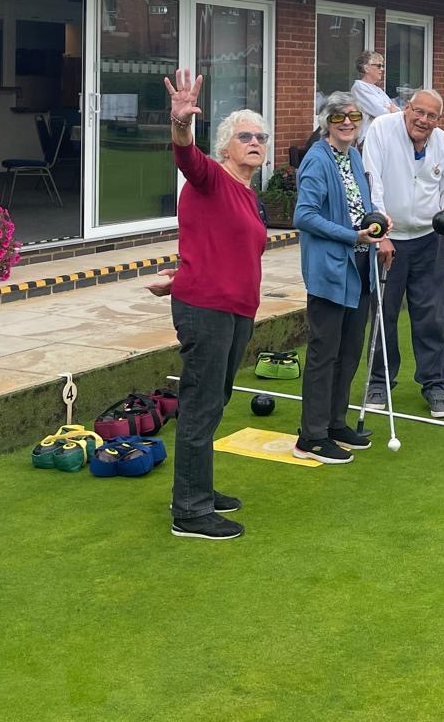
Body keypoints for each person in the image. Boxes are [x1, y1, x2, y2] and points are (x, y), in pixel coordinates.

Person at [162, 69, 269, 541]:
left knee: (215, 400)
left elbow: (219, 247)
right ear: (226, 145)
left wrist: (181, 272)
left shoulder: (247, 195)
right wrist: (181, 122)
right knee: (201, 404)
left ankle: (197, 486)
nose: (255, 142)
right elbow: (186, 155)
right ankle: (189, 511)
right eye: (245, 136)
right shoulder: (210, 179)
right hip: (206, 309)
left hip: (234, 309)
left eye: (261, 137)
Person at [292, 91, 394, 465]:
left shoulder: (352, 155)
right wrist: (353, 236)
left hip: (360, 268)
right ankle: (311, 435)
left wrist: (378, 223)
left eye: (354, 116)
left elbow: (360, 207)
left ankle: (335, 423)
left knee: (349, 351)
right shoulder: (317, 160)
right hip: (331, 272)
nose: (348, 123)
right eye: (340, 118)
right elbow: (304, 216)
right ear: (327, 123)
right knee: (324, 354)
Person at [362, 88, 444, 418]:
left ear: (438, 120)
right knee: (382, 314)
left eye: (432, 116)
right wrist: (381, 235)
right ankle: (379, 381)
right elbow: (371, 182)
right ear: (407, 108)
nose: (424, 120)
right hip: (390, 241)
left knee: (431, 314)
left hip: (429, 240)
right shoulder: (381, 130)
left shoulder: (442, 141)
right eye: (419, 111)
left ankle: (435, 384)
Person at [349, 50, 398, 143]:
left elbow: (397, 111)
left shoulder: (378, 89)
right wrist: (390, 109)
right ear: (366, 68)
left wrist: (392, 110)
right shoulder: (359, 88)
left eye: (382, 66)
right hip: (368, 139)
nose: (382, 69)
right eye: (378, 66)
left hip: (383, 138)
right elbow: (381, 113)